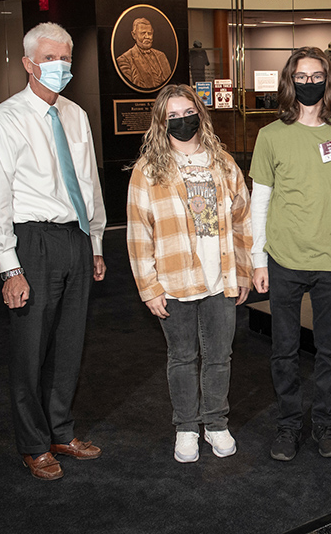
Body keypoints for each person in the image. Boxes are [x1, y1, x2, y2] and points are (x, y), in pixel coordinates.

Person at [0, 22, 107, 481]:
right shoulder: (3, 120)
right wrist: (8, 267)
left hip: (74, 236)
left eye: (66, 59)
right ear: (29, 64)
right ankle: (33, 443)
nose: (60, 67)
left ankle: (60, 431)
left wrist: (94, 240)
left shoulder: (75, 114)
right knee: (30, 350)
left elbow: (88, 182)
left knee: (70, 345)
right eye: (50, 59)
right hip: (31, 241)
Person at [249, 46, 331, 461]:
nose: (310, 83)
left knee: (330, 351)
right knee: (284, 350)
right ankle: (288, 426)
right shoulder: (270, 136)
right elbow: (258, 203)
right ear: (290, 81)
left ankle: (325, 424)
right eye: (302, 76)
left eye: (317, 76)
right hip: (282, 259)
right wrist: (257, 261)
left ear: (328, 81)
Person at [126, 84, 252, 464]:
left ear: (200, 112)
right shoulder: (147, 171)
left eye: (187, 112)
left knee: (219, 356)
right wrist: (149, 287)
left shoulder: (223, 162)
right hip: (174, 281)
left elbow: (243, 220)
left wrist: (243, 273)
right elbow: (138, 233)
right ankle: (185, 427)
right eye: (173, 117)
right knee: (182, 357)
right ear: (161, 124)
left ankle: (215, 423)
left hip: (221, 279)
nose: (183, 121)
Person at [117, 17, 172, 89]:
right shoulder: (124, 60)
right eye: (143, 33)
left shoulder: (161, 56)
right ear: (134, 35)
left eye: (149, 33)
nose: (147, 37)